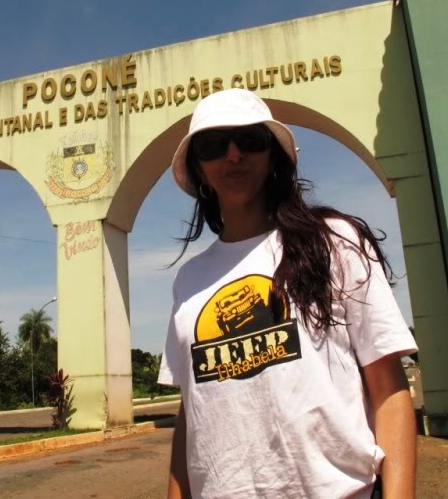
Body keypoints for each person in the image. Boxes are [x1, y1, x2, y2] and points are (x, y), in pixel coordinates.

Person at [158, 88, 418, 499]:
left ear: (272, 155)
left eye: (249, 140)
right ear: (199, 167)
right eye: (213, 146)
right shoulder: (189, 280)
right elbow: (192, 415)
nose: (233, 155)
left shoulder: (332, 241)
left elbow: (388, 389)